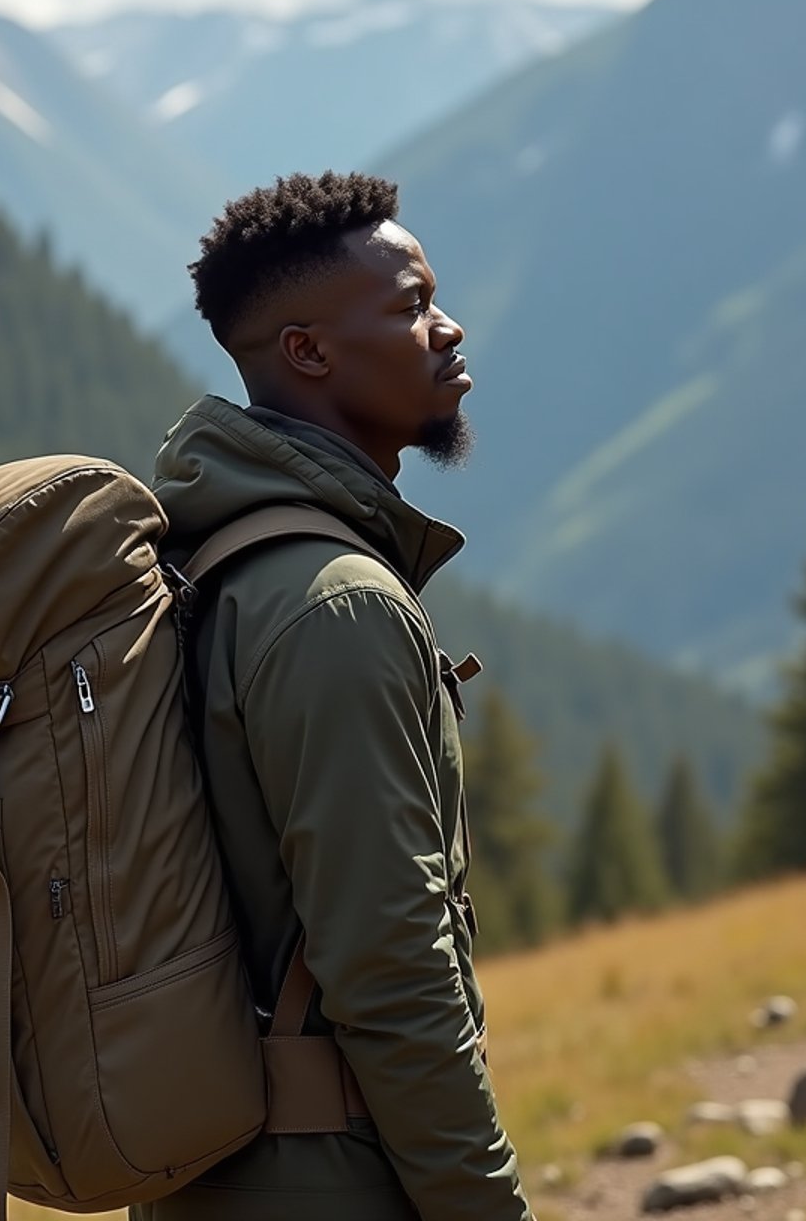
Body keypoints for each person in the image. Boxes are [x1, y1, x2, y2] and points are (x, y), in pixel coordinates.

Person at [141, 171, 533, 1221]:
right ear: (307, 351)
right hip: (333, 1183)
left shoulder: (204, 560)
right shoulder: (336, 607)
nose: (447, 329)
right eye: (408, 307)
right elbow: (392, 972)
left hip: (211, 1175)